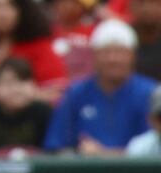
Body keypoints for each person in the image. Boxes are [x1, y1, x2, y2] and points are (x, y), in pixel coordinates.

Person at [44, 19, 160, 154]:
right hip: (84, 172)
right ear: (94, 56)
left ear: (133, 56)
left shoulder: (151, 93)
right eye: (106, 52)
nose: (113, 59)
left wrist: (103, 154)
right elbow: (57, 145)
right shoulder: (76, 93)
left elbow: (153, 149)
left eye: (120, 52)